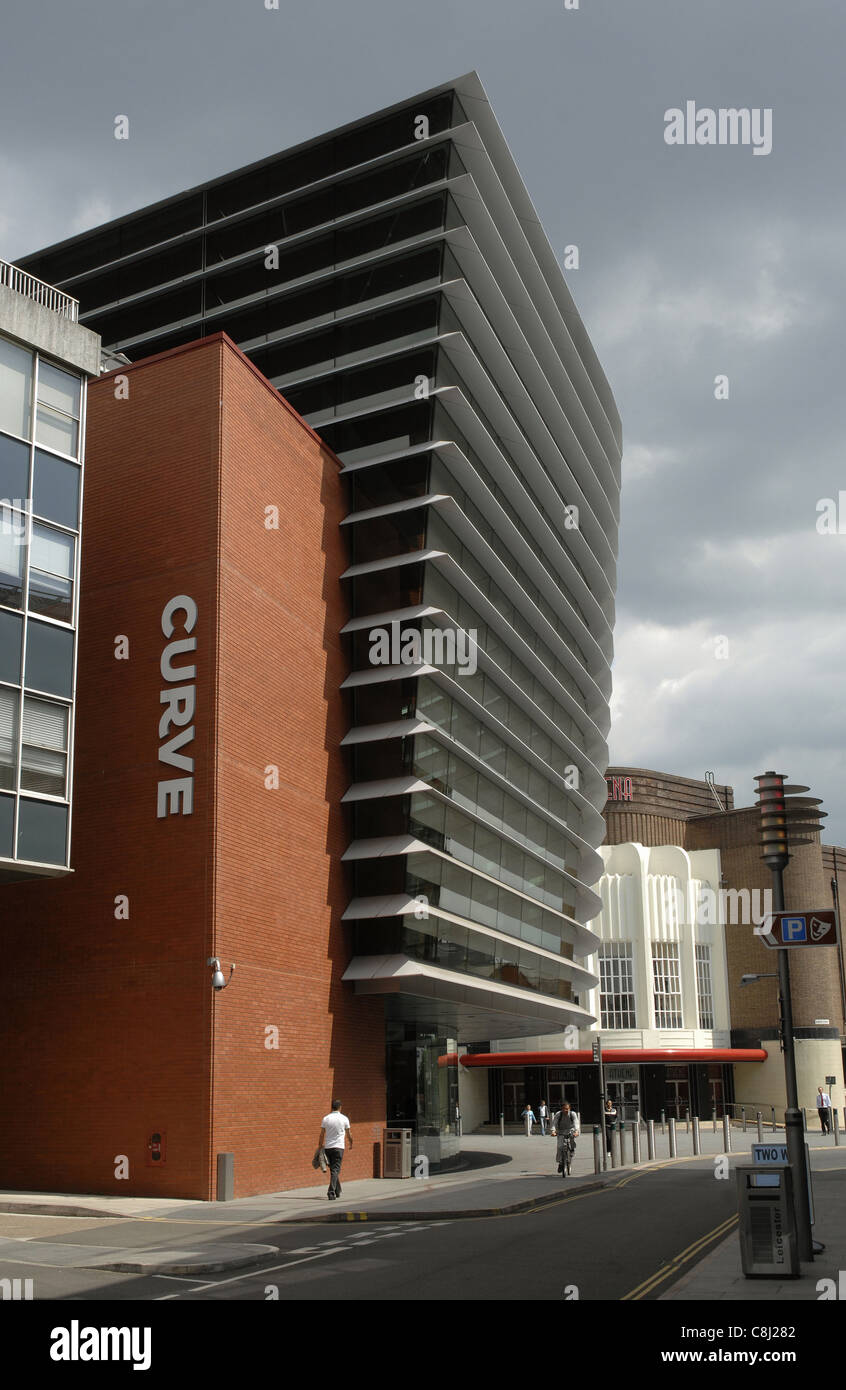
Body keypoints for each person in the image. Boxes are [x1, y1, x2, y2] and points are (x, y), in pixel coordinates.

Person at [318, 1099, 352, 1200]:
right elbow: (349, 1133)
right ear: (340, 1107)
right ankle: (331, 1192)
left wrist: (320, 1145)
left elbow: (322, 1134)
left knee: (333, 1169)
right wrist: (351, 1142)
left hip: (328, 1147)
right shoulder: (344, 1119)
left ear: (332, 1107)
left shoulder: (326, 1118)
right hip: (339, 1147)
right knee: (335, 1169)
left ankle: (338, 1190)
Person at [553, 1101, 579, 1176]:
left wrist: (576, 1131)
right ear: (562, 1109)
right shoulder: (558, 1114)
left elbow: (576, 1122)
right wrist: (553, 1131)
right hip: (561, 1132)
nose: (565, 1110)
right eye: (564, 1109)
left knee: (572, 1143)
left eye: (567, 1109)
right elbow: (554, 1123)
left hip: (570, 1131)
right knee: (559, 1147)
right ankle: (561, 1163)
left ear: (569, 1108)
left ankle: (571, 1151)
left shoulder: (572, 1114)